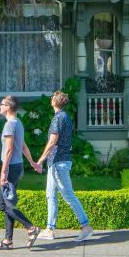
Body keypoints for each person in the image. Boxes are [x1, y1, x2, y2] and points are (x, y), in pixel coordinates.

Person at [35, 91, 93, 243]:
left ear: (55, 101)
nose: (51, 99)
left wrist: (40, 160)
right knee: (50, 195)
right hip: (57, 162)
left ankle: (86, 227)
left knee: (68, 196)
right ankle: (49, 229)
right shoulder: (64, 116)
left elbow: (53, 141)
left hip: (58, 163)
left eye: (52, 97)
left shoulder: (58, 118)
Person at [0, 95, 41, 250]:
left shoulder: (9, 125)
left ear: (8, 107)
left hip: (11, 168)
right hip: (18, 166)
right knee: (8, 204)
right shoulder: (18, 123)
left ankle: (30, 227)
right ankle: (8, 240)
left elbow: (9, 149)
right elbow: (23, 145)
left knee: (2, 205)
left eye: (2, 104)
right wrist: (32, 162)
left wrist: (3, 172)